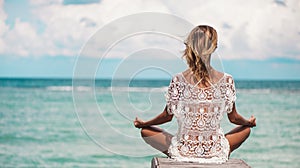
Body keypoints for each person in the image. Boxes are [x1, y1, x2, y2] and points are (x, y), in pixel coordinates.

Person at [133, 25, 256, 163]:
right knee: (246, 130)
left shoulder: (178, 79)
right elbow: (234, 119)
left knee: (145, 131)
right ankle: (213, 154)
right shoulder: (227, 80)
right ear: (214, 47)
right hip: (215, 149)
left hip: (184, 151)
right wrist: (248, 122)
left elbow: (167, 117)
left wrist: (145, 123)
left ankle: (186, 154)